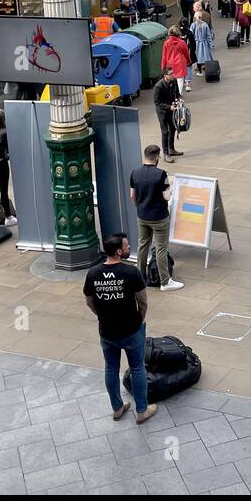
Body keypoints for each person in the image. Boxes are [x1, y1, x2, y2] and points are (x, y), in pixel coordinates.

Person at [83, 234, 157, 425]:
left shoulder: (93, 273)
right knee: (137, 367)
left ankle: (117, 407)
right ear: (118, 251)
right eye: (126, 245)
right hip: (131, 330)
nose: (129, 246)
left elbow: (89, 301)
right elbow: (143, 301)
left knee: (111, 367)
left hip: (107, 331)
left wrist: (102, 315)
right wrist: (139, 320)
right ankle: (142, 410)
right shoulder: (131, 272)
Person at [131, 144, 182, 291]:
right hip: (159, 217)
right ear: (157, 158)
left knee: (142, 246)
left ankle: (140, 278)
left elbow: (132, 196)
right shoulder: (161, 174)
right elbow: (166, 197)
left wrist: (141, 205)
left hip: (142, 216)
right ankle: (165, 281)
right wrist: (170, 192)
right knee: (161, 248)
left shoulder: (135, 173)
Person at [153, 66, 184, 162]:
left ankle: (171, 149)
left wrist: (179, 99)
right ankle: (166, 154)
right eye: (170, 74)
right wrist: (169, 107)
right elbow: (157, 102)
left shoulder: (173, 82)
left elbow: (177, 94)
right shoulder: (159, 86)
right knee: (165, 131)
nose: (173, 75)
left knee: (173, 127)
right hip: (162, 111)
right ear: (165, 75)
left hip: (171, 109)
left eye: (172, 73)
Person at [162, 25, 193, 94]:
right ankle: (179, 94)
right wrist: (189, 61)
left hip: (170, 63)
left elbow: (164, 56)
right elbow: (186, 53)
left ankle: (171, 94)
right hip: (180, 63)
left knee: (170, 79)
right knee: (180, 79)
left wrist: (163, 67)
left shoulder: (166, 43)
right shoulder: (182, 42)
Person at [190, 10, 214, 76]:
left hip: (197, 43)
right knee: (206, 57)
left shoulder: (193, 25)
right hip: (205, 43)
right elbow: (209, 35)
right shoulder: (205, 24)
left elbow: (191, 35)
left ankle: (200, 72)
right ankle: (208, 71)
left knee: (198, 58)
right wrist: (210, 44)